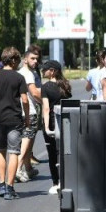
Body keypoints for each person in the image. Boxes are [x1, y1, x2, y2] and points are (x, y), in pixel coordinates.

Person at [0, 46, 29, 201]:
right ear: (14, 60)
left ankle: (1, 185)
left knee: (1, 150)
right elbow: (24, 100)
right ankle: (10, 188)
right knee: (14, 152)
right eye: (18, 60)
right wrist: (27, 117)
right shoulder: (19, 78)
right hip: (14, 119)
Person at [40, 60, 71, 196]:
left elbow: (46, 109)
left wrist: (46, 127)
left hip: (52, 123)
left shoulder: (45, 87)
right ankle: (66, 181)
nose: (43, 72)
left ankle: (55, 182)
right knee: (64, 152)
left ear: (52, 71)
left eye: (44, 70)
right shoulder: (65, 85)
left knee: (52, 153)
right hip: (64, 122)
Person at [15, 47, 41, 183]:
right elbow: (35, 93)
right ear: (25, 59)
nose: (35, 61)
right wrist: (46, 102)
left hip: (18, 111)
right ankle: (18, 169)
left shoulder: (19, 72)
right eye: (32, 58)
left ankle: (29, 169)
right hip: (29, 111)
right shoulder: (29, 74)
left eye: (36, 59)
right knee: (26, 141)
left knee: (26, 141)